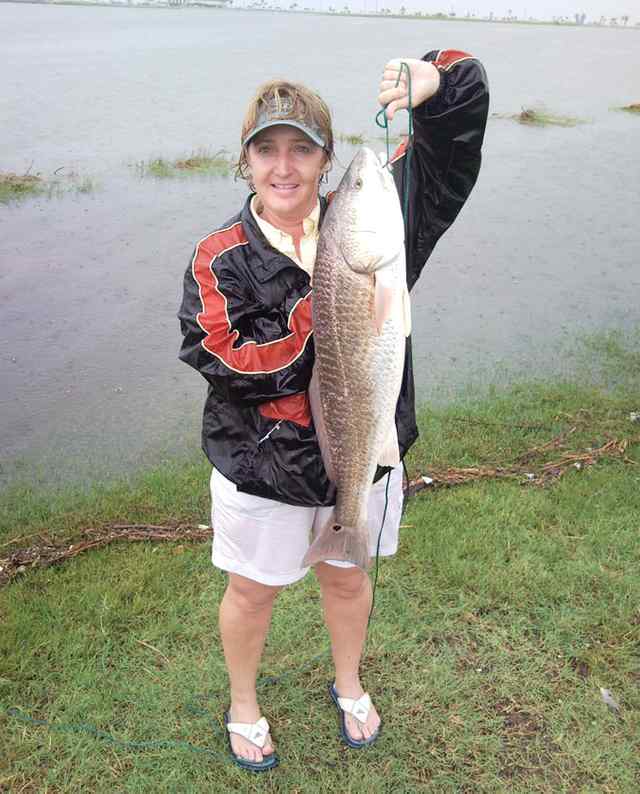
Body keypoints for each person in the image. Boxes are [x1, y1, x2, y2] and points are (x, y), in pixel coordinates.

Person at [178, 50, 489, 772]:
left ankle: (348, 684)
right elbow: (217, 356)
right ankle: (244, 703)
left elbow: (452, 151)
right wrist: (317, 322)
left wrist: (440, 85)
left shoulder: (374, 223)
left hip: (368, 450)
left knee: (349, 577)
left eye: (303, 150)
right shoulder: (218, 256)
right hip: (264, 471)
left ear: (323, 159)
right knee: (251, 592)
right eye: (267, 151)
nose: (284, 167)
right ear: (246, 162)